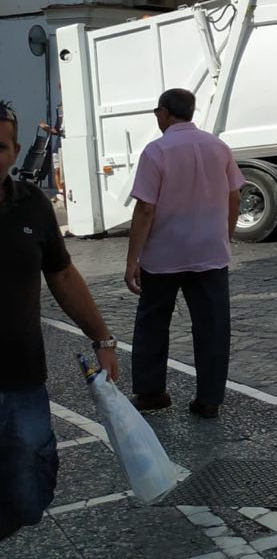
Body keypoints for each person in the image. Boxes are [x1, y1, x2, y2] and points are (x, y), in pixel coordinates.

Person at [0, 99, 119, 541]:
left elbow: (63, 274)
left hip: (22, 377)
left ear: (14, 152)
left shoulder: (31, 205)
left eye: (0, 147)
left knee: (30, 488)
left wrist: (103, 340)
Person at [126, 88, 245, 420]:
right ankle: (209, 399)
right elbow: (234, 197)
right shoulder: (218, 147)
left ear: (165, 112)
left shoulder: (156, 151)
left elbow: (146, 208)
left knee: (153, 322)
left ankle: (151, 393)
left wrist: (132, 258)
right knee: (213, 326)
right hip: (210, 253)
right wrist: (226, 235)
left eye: (157, 111)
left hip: (165, 254)